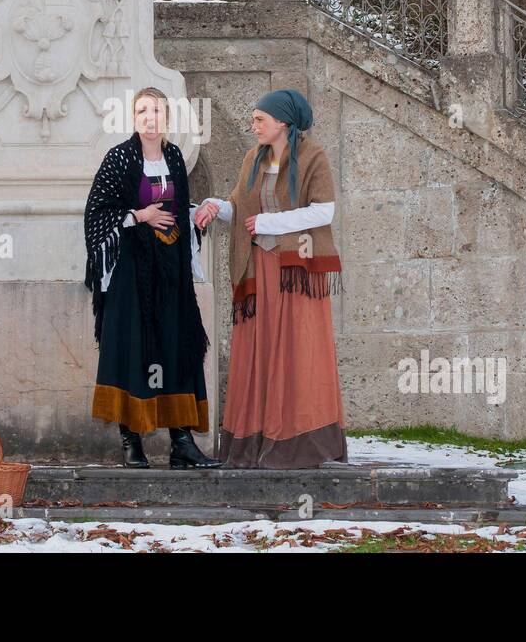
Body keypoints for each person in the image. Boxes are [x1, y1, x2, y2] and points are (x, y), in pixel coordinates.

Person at [193, 88, 347, 468]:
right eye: (254, 119)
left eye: (260, 119)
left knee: (299, 351)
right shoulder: (253, 159)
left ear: (282, 122)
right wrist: (215, 207)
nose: (254, 125)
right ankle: (255, 443)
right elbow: (241, 209)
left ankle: (301, 443)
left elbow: (323, 211)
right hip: (258, 269)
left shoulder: (313, 156)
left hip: (296, 269)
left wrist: (269, 222)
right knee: (260, 353)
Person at [84, 87, 221, 469]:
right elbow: (97, 213)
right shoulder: (119, 158)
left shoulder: (175, 157)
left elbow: (176, 208)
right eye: (143, 110)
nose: (150, 117)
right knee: (134, 348)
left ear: (167, 118)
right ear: (133, 117)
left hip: (171, 272)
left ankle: (182, 441)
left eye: (157, 110)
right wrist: (139, 215)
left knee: (177, 347)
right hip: (132, 273)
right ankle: (131, 440)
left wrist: (194, 215)